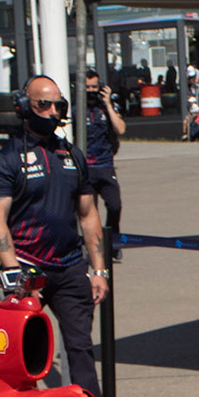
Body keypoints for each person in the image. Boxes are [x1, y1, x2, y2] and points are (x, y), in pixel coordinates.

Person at [0, 75, 108, 397]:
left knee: (81, 347)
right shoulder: (6, 159)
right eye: (44, 104)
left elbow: (89, 214)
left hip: (70, 268)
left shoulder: (72, 155)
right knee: (25, 354)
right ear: (25, 107)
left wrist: (98, 270)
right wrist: (14, 273)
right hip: (26, 269)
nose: (53, 111)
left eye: (59, 105)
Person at [79, 69, 123, 261]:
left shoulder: (105, 108)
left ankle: (113, 242)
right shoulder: (77, 109)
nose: (91, 91)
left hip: (105, 165)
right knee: (90, 212)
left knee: (115, 206)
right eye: (87, 87)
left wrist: (107, 103)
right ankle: (94, 248)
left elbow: (120, 128)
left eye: (94, 87)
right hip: (85, 168)